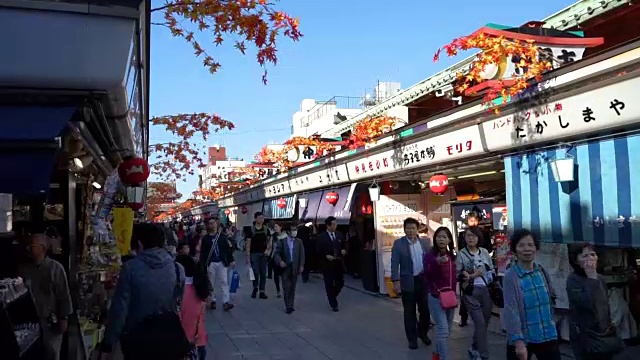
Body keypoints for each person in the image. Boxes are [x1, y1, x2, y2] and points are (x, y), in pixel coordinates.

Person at [100, 223, 186, 359]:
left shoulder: (130, 269)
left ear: (139, 243)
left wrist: (108, 343)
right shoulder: (177, 268)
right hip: (168, 336)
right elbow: (178, 303)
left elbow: (120, 310)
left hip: (137, 339)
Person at [503, 229, 560, 360]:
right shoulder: (511, 276)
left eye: (530, 245)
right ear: (515, 249)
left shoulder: (541, 271)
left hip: (547, 334)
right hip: (523, 339)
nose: (527, 249)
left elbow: (550, 302)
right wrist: (518, 342)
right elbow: (511, 311)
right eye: (521, 245)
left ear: (536, 247)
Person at [18, 234, 73, 360]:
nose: (28, 249)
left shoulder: (55, 268)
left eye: (32, 246)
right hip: (29, 323)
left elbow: (63, 295)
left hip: (50, 321)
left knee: (52, 353)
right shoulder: (23, 269)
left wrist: (64, 318)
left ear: (42, 248)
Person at [567, 243, 623, 360]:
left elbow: (603, 303)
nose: (590, 259)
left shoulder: (601, 278)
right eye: (585, 256)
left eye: (593, 254)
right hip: (585, 336)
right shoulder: (573, 279)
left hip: (604, 334)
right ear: (576, 261)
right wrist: (591, 278)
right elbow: (584, 302)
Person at [390, 217, 432, 350]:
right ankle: (412, 339)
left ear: (417, 229)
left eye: (413, 228)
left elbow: (431, 261)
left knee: (425, 311)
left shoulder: (425, 242)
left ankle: (422, 332)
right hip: (408, 281)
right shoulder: (399, 244)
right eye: (408, 228)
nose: (411, 231)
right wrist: (395, 281)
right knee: (409, 312)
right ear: (404, 229)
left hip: (423, 280)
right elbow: (394, 263)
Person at [456, 226, 495, 360]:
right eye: (468, 236)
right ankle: (484, 355)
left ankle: (474, 347)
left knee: (485, 322)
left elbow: (490, 269)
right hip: (470, 292)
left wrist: (483, 272)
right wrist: (467, 275)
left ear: (479, 238)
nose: (470, 238)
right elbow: (457, 273)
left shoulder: (484, 252)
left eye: (473, 236)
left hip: (486, 290)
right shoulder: (461, 254)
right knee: (480, 323)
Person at [423, 227, 457, 360]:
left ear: (449, 240)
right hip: (436, 297)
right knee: (442, 330)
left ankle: (436, 356)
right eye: (439, 237)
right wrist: (437, 262)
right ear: (435, 239)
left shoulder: (451, 256)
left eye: (444, 237)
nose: (441, 239)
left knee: (446, 331)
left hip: (450, 298)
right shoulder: (430, 255)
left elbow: (453, 278)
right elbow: (427, 273)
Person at [175, 254, 212, 360]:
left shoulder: (182, 291)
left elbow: (186, 319)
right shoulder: (199, 288)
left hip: (187, 343)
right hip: (199, 339)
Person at [199, 217, 235, 311]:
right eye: (210, 223)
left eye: (213, 223)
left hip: (222, 262)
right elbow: (203, 252)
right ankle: (212, 300)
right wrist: (202, 264)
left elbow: (228, 249)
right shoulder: (206, 238)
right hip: (211, 263)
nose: (212, 225)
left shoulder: (222, 236)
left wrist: (231, 259)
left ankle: (225, 301)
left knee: (224, 281)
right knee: (211, 282)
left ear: (216, 223)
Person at [272, 224, 305, 314]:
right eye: (293, 230)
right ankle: (288, 305)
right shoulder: (282, 241)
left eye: (296, 230)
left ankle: (291, 304)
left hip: (295, 267)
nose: (295, 232)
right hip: (285, 267)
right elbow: (276, 254)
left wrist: (301, 265)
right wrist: (280, 261)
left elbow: (302, 254)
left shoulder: (299, 242)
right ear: (289, 232)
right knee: (286, 287)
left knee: (293, 287)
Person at [316, 216, 346, 311]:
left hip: (338, 262)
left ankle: (333, 294)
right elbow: (317, 251)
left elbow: (344, 245)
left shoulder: (340, 235)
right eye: (333, 224)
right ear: (328, 226)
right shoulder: (321, 237)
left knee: (340, 283)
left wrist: (344, 250)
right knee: (329, 284)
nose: (335, 226)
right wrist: (325, 256)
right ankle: (333, 303)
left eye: (336, 224)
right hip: (327, 264)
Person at [245, 212, 271, 299]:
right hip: (254, 254)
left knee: (263, 273)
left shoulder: (266, 229)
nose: (261, 219)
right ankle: (255, 287)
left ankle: (262, 291)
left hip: (263, 254)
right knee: (255, 272)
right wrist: (248, 257)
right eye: (259, 218)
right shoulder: (251, 230)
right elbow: (248, 244)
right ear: (255, 219)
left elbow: (269, 241)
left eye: (262, 218)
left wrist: (268, 250)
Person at [268, 223, 287, 298]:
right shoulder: (273, 237)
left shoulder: (286, 236)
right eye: (274, 227)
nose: (275, 228)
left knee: (284, 275)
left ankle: (285, 289)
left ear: (281, 227)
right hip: (274, 257)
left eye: (276, 226)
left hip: (284, 257)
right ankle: (278, 290)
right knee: (276, 275)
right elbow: (270, 246)